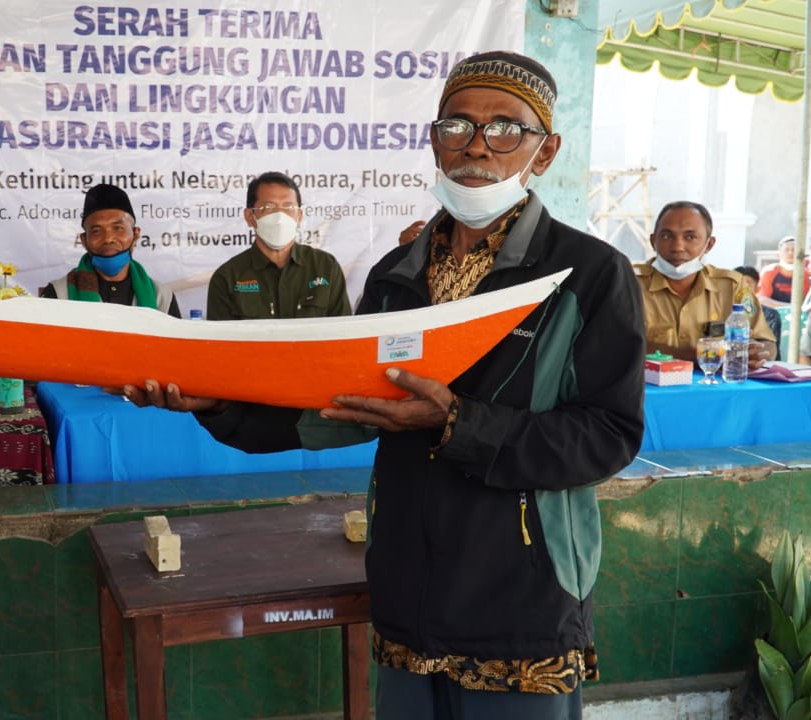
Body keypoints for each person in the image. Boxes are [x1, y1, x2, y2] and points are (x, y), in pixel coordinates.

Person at [125, 51, 644, 719]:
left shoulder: (588, 274)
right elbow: (334, 406)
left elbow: (609, 435)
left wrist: (456, 420)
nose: (477, 145)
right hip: (408, 589)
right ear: (434, 140)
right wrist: (219, 402)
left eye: (506, 128)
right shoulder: (398, 274)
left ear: (544, 154)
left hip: (522, 596)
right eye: (456, 125)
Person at [635, 201, 776, 366]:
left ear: (709, 244)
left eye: (690, 237)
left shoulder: (731, 286)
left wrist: (757, 352)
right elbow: (619, 345)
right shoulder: (629, 284)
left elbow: (766, 343)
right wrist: (702, 355)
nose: (678, 246)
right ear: (653, 241)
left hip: (718, 389)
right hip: (651, 389)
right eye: (667, 236)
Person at [206, 171, 351, 320]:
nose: (280, 217)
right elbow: (220, 342)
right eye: (268, 208)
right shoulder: (227, 277)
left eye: (288, 208)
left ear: (299, 216)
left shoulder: (325, 267)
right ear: (250, 217)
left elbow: (344, 335)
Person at [40, 183, 181, 317]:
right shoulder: (58, 293)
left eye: (118, 228)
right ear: (84, 240)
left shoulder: (161, 296)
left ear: (136, 234)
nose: (108, 239)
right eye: (96, 231)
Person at [734, 265, 783, 355]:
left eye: (748, 284)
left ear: (758, 289)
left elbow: (771, 348)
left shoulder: (770, 315)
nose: (742, 289)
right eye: (737, 284)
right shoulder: (725, 313)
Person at [758, 235, 807, 307]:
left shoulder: (805, 274)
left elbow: (805, 300)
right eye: (787, 249)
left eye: (794, 250)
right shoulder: (768, 272)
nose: (790, 253)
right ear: (779, 254)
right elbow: (763, 299)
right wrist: (789, 307)